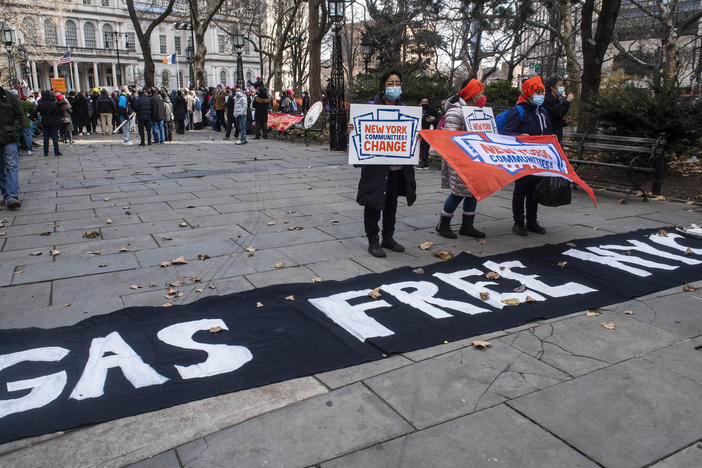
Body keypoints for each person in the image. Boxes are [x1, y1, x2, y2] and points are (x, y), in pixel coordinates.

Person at [354, 70, 417, 258]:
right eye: (391, 83)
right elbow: (360, 131)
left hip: (398, 168)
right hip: (377, 169)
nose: (395, 87)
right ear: (383, 88)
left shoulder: (406, 110)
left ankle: (388, 238)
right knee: (373, 203)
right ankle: (373, 240)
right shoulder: (370, 107)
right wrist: (353, 128)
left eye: (398, 83)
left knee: (391, 204)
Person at [434, 79, 487, 239]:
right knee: (458, 192)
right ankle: (443, 224)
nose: (483, 96)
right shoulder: (456, 112)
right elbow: (450, 137)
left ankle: (467, 225)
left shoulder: (477, 111)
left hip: (474, 158)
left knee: (473, 191)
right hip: (459, 159)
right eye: (480, 93)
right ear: (473, 94)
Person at [502, 75, 553, 236]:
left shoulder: (542, 111)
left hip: (539, 158)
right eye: (538, 92)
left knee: (534, 191)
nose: (541, 96)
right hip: (523, 158)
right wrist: (519, 136)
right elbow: (506, 133)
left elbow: (548, 131)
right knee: (521, 190)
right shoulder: (518, 111)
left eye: (542, 92)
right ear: (529, 94)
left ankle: (532, 221)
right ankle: (518, 222)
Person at [0, 80, 23, 209]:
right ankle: (6, 192)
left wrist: (14, 131)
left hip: (9, 137)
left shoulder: (9, 97)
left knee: (11, 165)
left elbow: (19, 115)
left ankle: (11, 196)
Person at [543, 74, 574, 143]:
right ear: (552, 87)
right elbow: (558, 113)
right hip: (550, 138)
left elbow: (555, 120)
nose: (562, 88)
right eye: (560, 86)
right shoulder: (547, 100)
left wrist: (565, 123)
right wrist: (568, 101)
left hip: (557, 137)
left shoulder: (557, 99)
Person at [37, 90, 61, 157]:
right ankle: (56, 151)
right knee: (54, 137)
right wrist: (58, 121)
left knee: (46, 138)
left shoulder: (41, 104)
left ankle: (46, 152)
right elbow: (57, 113)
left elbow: (34, 111)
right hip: (53, 122)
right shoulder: (53, 104)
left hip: (45, 122)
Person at [418, 96, 437, 168]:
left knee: (425, 146)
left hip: (427, 131)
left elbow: (436, 120)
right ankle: (421, 160)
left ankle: (424, 161)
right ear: (420, 103)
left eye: (426, 102)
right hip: (419, 130)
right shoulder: (417, 111)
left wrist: (433, 119)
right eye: (423, 102)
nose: (425, 104)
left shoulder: (432, 111)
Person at [18, 90, 35, 154]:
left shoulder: (9, 102)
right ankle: (29, 150)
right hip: (24, 121)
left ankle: (17, 151)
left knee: (17, 137)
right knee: (27, 135)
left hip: (15, 122)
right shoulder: (21, 102)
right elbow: (32, 105)